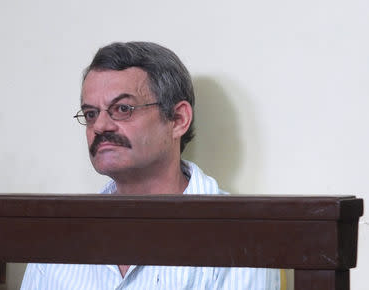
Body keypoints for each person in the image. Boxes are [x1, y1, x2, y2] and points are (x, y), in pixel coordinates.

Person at [21, 41, 280, 289]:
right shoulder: (57, 237)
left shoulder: (242, 236)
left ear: (178, 119)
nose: (100, 126)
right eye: (91, 114)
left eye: (122, 109)